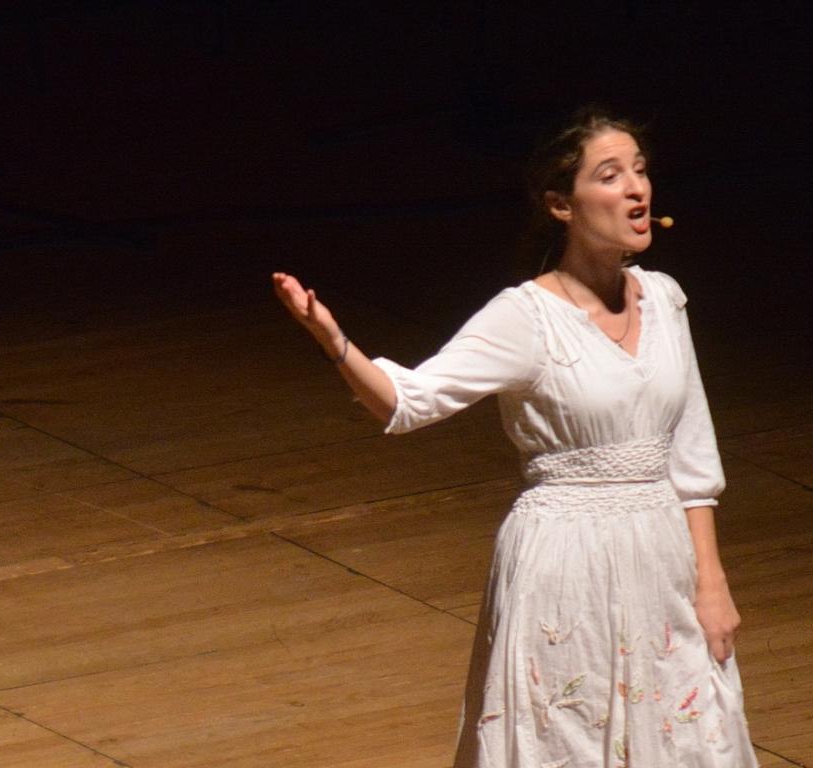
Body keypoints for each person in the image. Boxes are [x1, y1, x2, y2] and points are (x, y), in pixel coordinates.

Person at [272, 109, 758, 766]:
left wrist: (712, 582)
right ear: (561, 204)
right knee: (567, 735)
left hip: (661, 557)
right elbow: (410, 401)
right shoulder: (525, 318)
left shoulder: (665, 299)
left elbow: (692, 457)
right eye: (610, 176)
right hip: (566, 563)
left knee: (686, 735)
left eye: (640, 171)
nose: (636, 190)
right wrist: (334, 342)